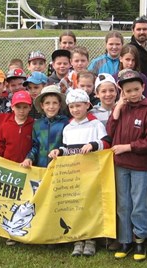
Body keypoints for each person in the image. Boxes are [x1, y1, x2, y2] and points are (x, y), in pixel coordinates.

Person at [48, 89, 110, 257]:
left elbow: (106, 143)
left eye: (79, 106)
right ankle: (78, 239)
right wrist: (58, 152)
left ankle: (90, 239)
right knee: (76, 205)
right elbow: (67, 148)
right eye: (72, 106)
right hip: (75, 174)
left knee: (90, 206)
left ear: (87, 105)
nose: (75, 110)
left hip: (92, 174)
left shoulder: (96, 124)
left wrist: (93, 145)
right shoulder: (68, 127)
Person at [107, 70, 147, 261]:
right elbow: (110, 133)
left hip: (140, 166)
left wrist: (128, 147)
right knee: (124, 204)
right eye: (128, 91)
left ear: (143, 88)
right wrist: (117, 109)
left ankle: (140, 239)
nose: (133, 93)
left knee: (139, 203)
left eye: (136, 89)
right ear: (122, 92)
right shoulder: (122, 109)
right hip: (121, 164)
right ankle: (125, 239)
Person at [21, 86, 69, 168]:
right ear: (42, 105)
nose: (51, 107)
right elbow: (35, 146)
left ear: (59, 105)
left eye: (55, 103)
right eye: (47, 103)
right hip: (41, 167)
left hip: (60, 168)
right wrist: (29, 158)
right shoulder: (38, 124)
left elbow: (68, 147)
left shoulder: (65, 123)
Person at [0, 91, 34, 163]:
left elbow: (36, 146)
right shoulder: (5, 126)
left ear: (30, 107)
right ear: (12, 107)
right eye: (18, 107)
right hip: (9, 166)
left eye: (25, 107)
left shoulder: (34, 125)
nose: (21, 111)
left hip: (28, 166)